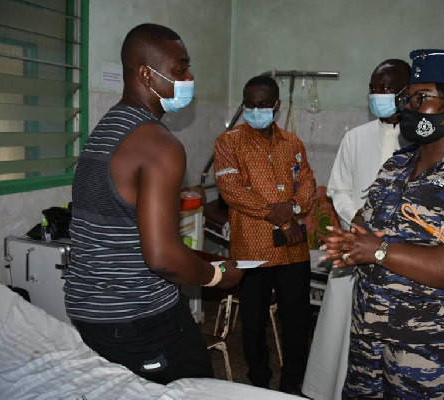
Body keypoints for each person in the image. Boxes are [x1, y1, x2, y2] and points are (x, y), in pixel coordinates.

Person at [320, 49, 444, 398]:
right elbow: (368, 224)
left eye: (421, 98)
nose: (408, 106)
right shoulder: (397, 164)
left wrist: (379, 252)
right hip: (369, 333)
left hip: (430, 349)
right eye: (407, 97)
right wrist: (353, 244)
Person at [64, 23, 244, 385]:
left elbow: (124, 236)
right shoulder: (160, 145)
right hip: (138, 317)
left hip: (90, 312)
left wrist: (208, 259)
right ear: (146, 73)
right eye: (181, 69)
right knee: (194, 386)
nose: (189, 77)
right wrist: (218, 277)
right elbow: (161, 257)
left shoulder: (105, 130)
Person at [302, 59, 410, 400]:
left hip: (400, 252)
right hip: (354, 243)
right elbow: (338, 190)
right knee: (341, 328)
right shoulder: (356, 138)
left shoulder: (420, 142)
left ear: (408, 93)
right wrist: (357, 219)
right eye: (374, 88)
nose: (378, 95)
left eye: (387, 88)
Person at [214, 75, 316, 394]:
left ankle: (293, 381)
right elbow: (233, 191)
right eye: (250, 104)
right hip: (252, 247)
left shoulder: (293, 143)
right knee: (253, 321)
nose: (256, 109)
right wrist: (281, 215)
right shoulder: (228, 142)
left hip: (293, 249)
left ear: (277, 105)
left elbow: (308, 182)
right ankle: (259, 380)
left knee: (297, 319)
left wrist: (294, 209)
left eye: (263, 104)